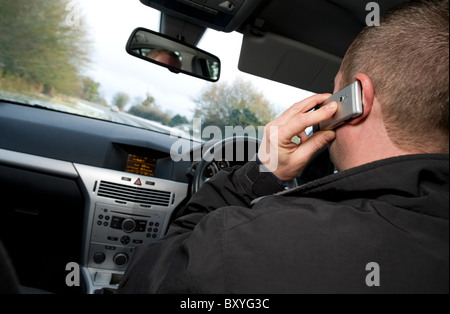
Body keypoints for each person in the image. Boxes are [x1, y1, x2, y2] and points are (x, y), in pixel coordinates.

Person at [118, 0, 449, 294]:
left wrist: (259, 173)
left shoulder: (246, 244)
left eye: (335, 90)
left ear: (355, 101)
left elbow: (146, 278)